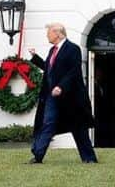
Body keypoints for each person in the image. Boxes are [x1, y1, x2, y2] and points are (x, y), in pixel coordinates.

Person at [27, 23, 98, 164]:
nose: (47, 35)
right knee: (48, 123)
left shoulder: (73, 49)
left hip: (70, 97)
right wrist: (35, 58)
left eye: (49, 33)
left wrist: (61, 86)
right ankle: (38, 155)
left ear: (58, 33)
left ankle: (89, 158)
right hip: (52, 97)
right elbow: (49, 69)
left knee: (78, 128)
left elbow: (74, 71)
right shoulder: (52, 50)